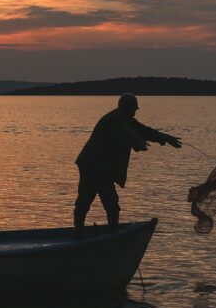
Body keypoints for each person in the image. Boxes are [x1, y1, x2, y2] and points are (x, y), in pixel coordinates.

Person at [74, 93, 182, 233]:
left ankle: (90, 233)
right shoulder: (118, 118)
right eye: (134, 108)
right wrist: (138, 141)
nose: (135, 111)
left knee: (103, 202)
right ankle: (99, 234)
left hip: (100, 167)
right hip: (93, 166)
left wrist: (165, 138)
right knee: (96, 202)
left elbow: (143, 130)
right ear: (128, 108)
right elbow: (128, 132)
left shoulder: (124, 119)